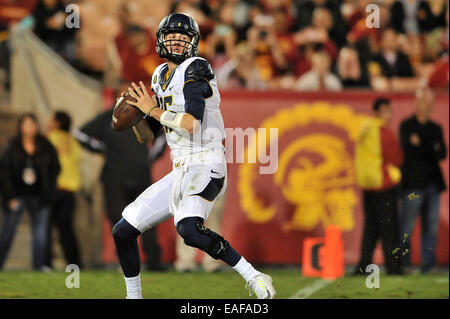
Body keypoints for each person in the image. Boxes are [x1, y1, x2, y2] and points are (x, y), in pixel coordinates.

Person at [112, 13, 276, 299]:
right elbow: (148, 136)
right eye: (172, 38)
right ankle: (133, 297)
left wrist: (151, 110)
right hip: (181, 168)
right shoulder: (159, 75)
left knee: (189, 229)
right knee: (123, 231)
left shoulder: (196, 67)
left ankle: (255, 277)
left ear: (194, 43)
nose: (177, 43)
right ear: (161, 41)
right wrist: (137, 115)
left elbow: (192, 122)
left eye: (183, 38)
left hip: (207, 162)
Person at [74, 91, 166, 272]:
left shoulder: (144, 115)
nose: (127, 100)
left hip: (141, 176)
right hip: (114, 177)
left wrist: (148, 158)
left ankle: (154, 262)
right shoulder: (107, 118)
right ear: (117, 100)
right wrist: (101, 149)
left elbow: (162, 137)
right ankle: (126, 261)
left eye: (131, 96)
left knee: (149, 219)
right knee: (119, 221)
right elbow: (80, 134)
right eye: (124, 97)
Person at [0, 113, 60, 271]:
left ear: (36, 126)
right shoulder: (12, 146)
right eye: (26, 124)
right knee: (7, 233)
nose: (29, 128)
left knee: (40, 235)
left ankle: (38, 267)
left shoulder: (46, 146)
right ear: (20, 127)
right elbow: (4, 172)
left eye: (32, 124)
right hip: (16, 195)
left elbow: (55, 169)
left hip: (40, 196)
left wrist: (49, 193)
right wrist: (9, 197)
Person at [399, 87, 447, 274]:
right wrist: (431, 147)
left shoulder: (436, 127)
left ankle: (428, 264)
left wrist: (422, 145)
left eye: (431, 101)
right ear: (417, 103)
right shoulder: (407, 125)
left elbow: (442, 153)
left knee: (431, 227)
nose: (428, 105)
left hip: (432, 184)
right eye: (425, 101)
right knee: (407, 225)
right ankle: (404, 263)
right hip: (412, 184)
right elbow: (410, 150)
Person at [353, 98, 403, 275]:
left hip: (369, 187)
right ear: (377, 113)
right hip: (384, 186)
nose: (389, 115)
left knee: (370, 229)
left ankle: (363, 266)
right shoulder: (384, 133)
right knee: (389, 229)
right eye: (386, 111)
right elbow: (396, 158)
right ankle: (394, 268)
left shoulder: (364, 129)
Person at [44, 111, 83, 269]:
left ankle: (45, 263)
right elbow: (77, 158)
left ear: (57, 123)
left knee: (46, 229)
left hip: (55, 189)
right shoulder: (73, 141)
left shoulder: (50, 138)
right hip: (70, 191)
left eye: (52, 119)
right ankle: (74, 264)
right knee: (67, 231)